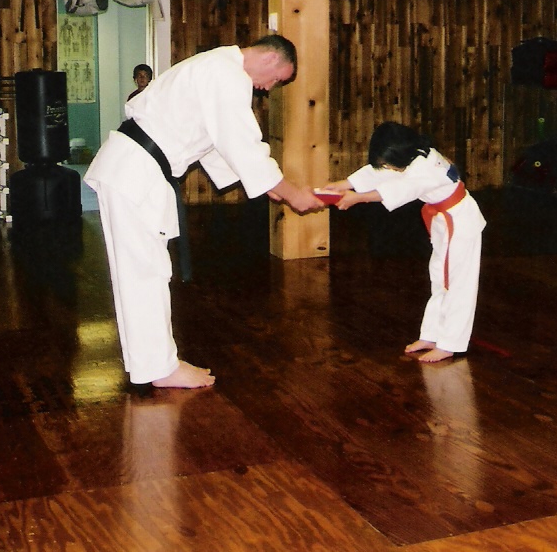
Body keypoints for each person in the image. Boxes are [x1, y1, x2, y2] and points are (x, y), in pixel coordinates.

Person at [85, 35, 323, 389]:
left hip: (132, 167)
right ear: (272, 60)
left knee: (143, 272)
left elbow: (217, 146)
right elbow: (243, 145)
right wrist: (289, 193)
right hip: (135, 171)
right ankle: (159, 368)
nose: (269, 88)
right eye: (277, 80)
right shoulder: (228, 75)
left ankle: (153, 364)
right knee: (144, 273)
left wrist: (272, 186)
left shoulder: (213, 66)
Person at [323, 122, 486, 363]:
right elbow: (382, 172)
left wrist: (357, 198)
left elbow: (396, 188)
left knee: (458, 283)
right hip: (444, 221)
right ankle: (432, 335)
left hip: (461, 223)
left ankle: (451, 343)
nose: (387, 166)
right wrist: (344, 185)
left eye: (388, 161)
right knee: (439, 277)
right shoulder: (417, 154)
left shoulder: (426, 168)